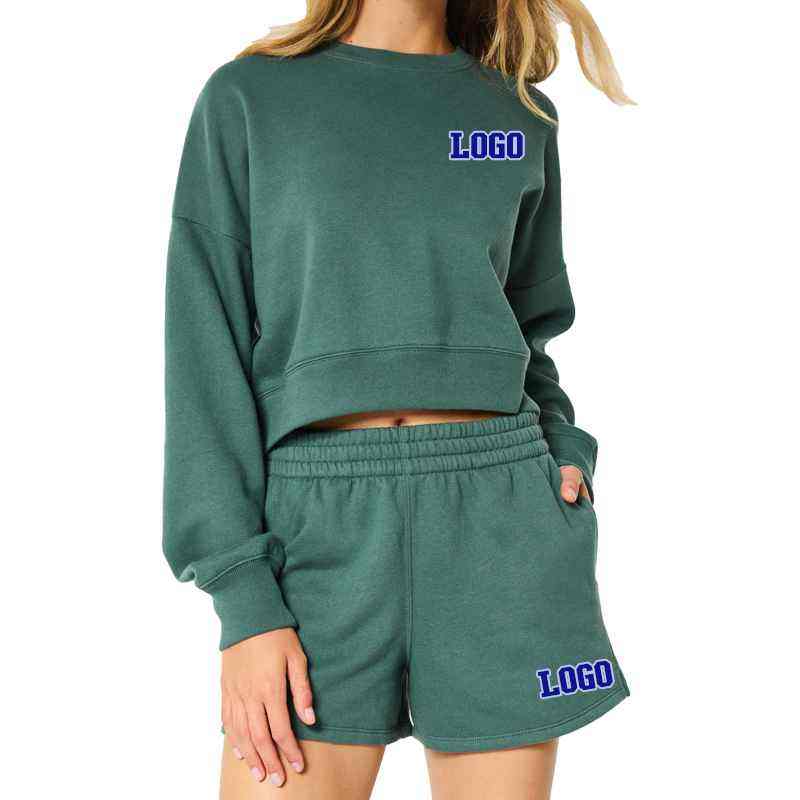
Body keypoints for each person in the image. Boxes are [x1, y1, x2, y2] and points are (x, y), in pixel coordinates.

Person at [163, 1, 632, 796]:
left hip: (499, 521)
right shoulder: (249, 99)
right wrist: (242, 599)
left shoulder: (516, 116)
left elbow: (528, 328)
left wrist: (562, 447)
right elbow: (204, 348)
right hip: (316, 534)